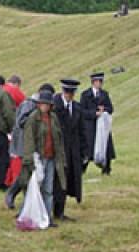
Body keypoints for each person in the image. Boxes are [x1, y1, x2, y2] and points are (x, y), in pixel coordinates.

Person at [18, 90, 66, 228]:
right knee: (33, 188)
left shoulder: (54, 118)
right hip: (37, 158)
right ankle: (28, 215)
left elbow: (58, 139)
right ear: (38, 105)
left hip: (51, 158)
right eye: (42, 104)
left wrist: (61, 157)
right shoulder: (32, 119)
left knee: (48, 189)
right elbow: (28, 139)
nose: (45, 106)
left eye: (47, 104)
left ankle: (47, 217)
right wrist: (29, 159)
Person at [5, 83, 55, 209]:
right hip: (24, 144)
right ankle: (13, 195)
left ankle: (18, 197)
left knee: (27, 173)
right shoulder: (29, 104)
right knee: (26, 173)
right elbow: (21, 122)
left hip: (34, 145)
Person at [53, 79, 88, 222]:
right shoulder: (55, 106)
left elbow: (81, 131)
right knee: (56, 182)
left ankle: (60, 211)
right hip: (58, 151)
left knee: (66, 182)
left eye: (72, 93)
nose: (69, 95)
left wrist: (85, 151)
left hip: (72, 151)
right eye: (67, 92)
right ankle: (52, 210)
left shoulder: (77, 108)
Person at [80, 72, 115, 175]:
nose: (99, 84)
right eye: (97, 82)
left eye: (100, 82)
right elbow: (82, 111)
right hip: (90, 127)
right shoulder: (85, 95)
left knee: (106, 147)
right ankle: (82, 170)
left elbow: (111, 108)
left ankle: (106, 169)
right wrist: (94, 113)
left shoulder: (104, 94)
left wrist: (104, 109)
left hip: (102, 127)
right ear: (93, 82)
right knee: (88, 151)